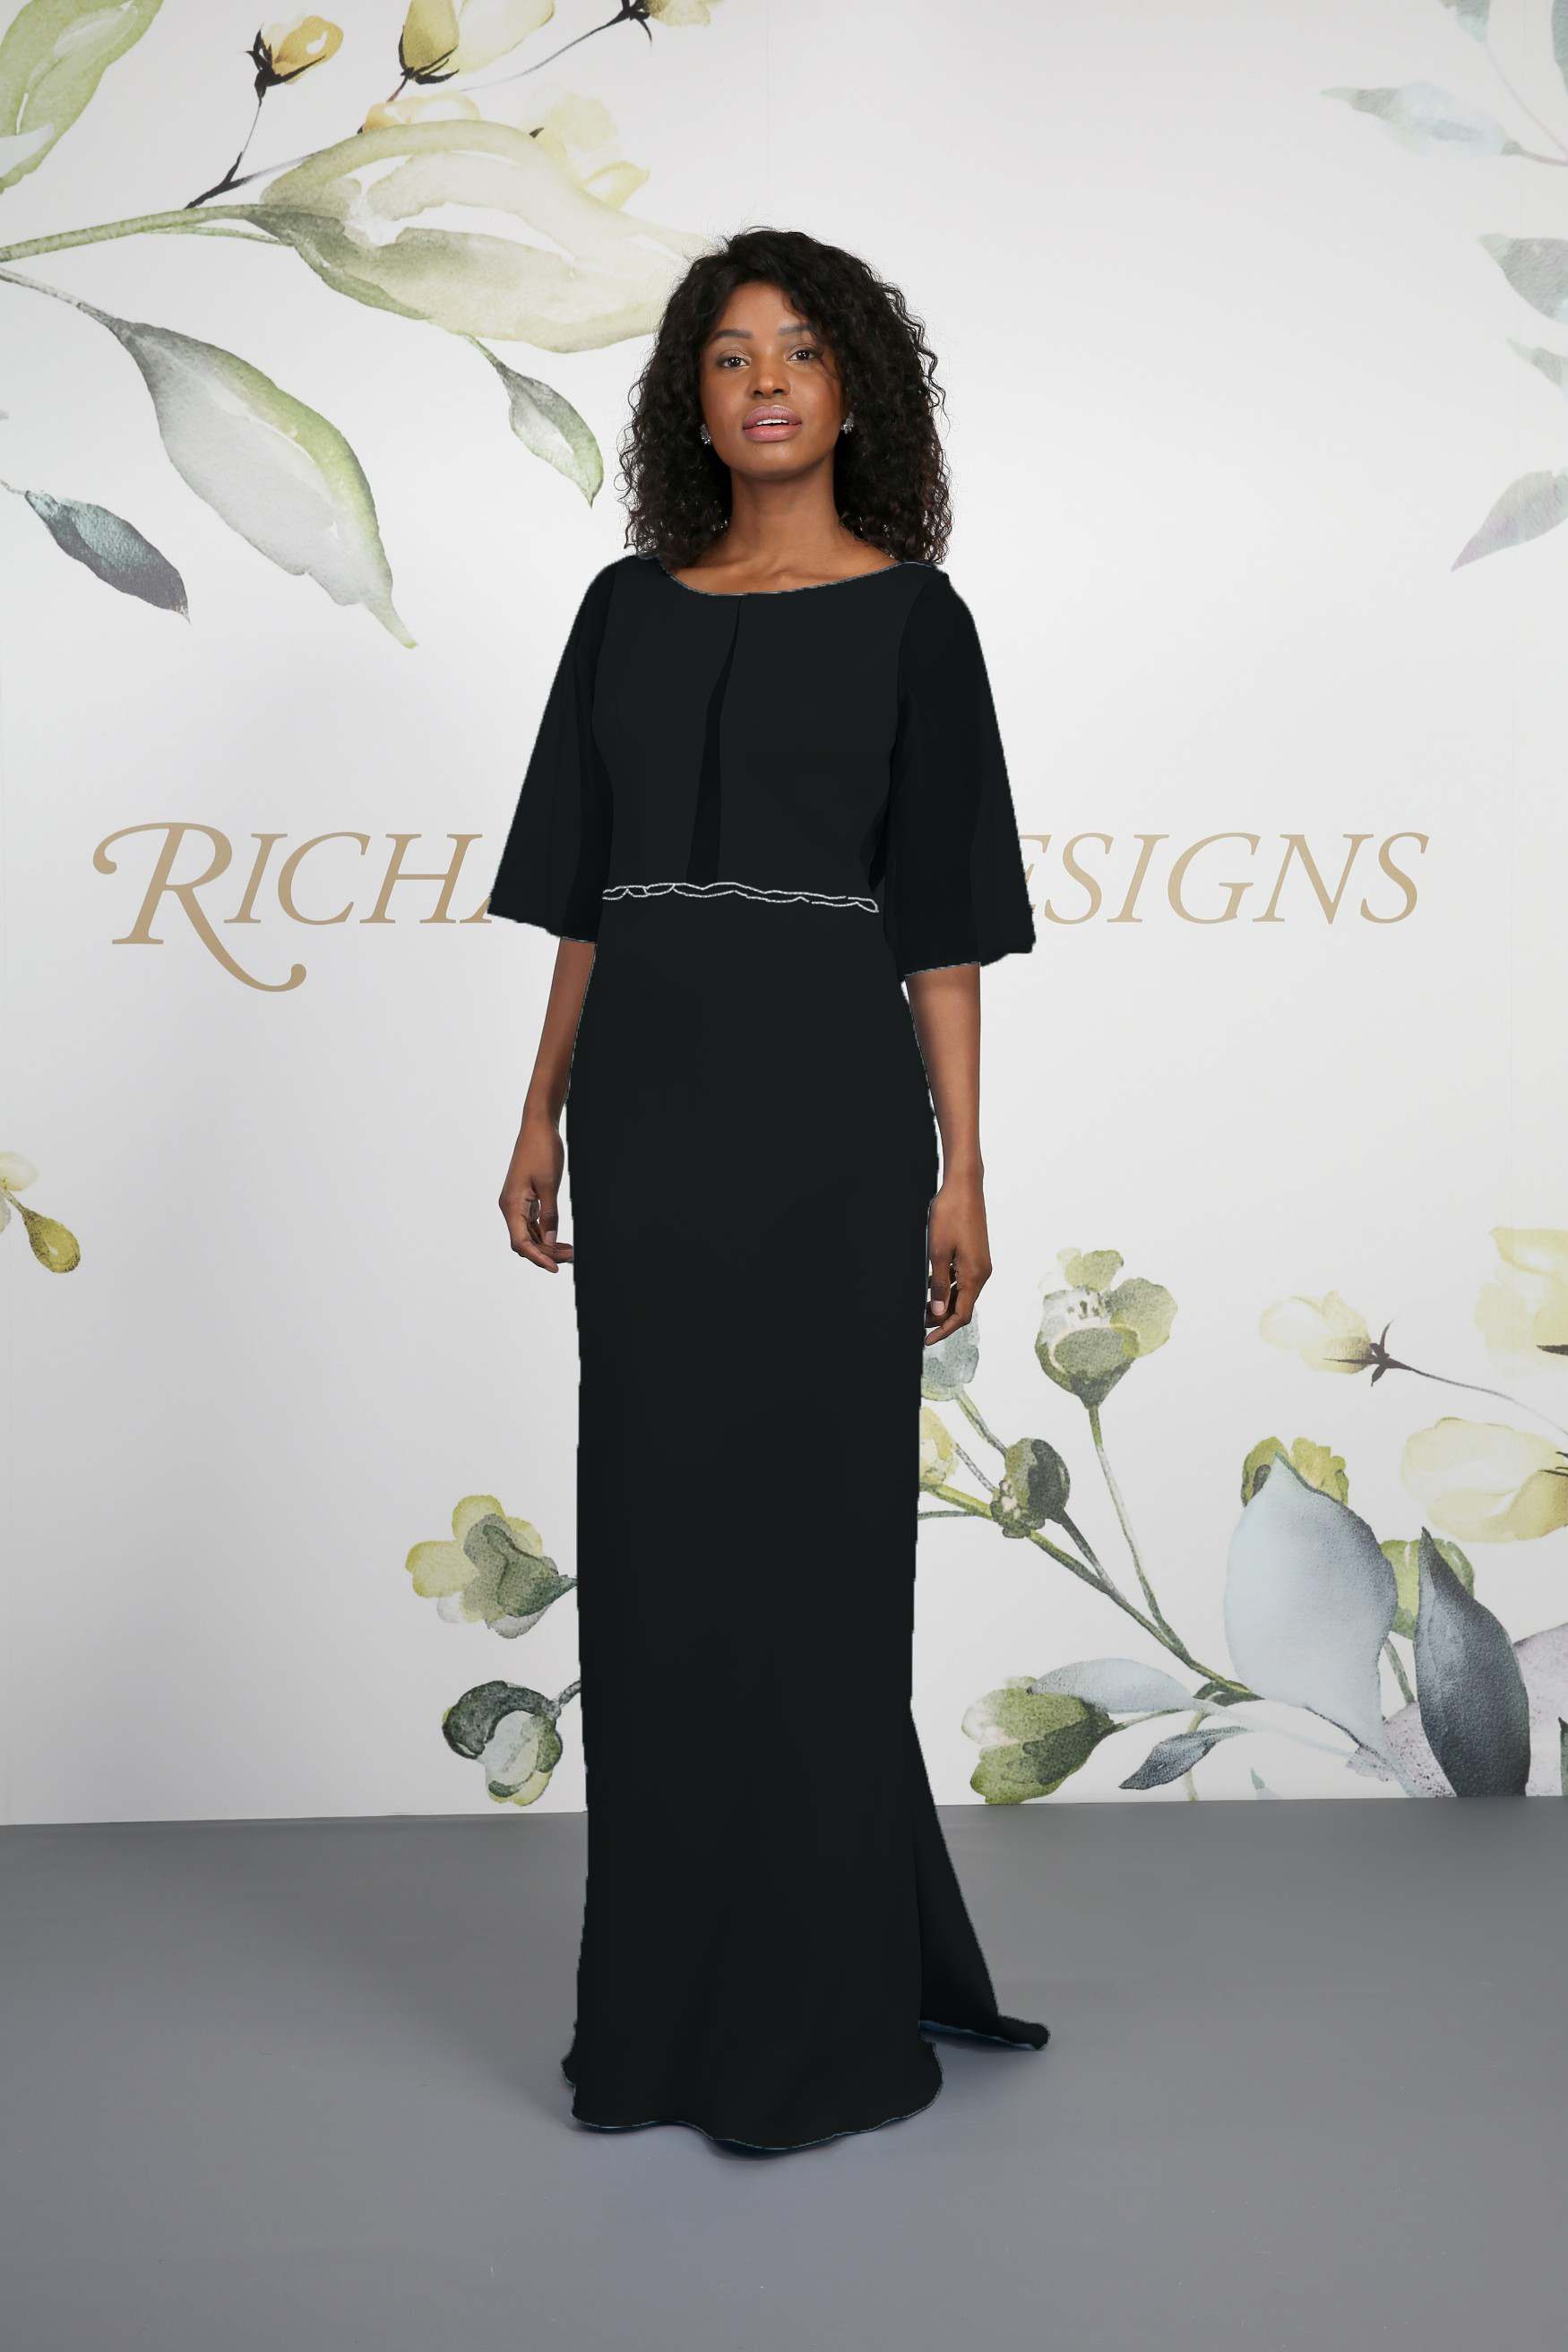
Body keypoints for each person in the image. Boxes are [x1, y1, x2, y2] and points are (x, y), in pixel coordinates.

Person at [486, 226, 1047, 2153]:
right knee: (657, 1550)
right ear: (693, 403)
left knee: (815, 1556)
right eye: (729, 357)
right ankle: (655, 2023)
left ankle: (819, 2015)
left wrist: (963, 1164)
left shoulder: (916, 620)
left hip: (826, 1118)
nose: (767, 382)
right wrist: (539, 1108)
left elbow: (940, 926)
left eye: (801, 350)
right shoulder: (621, 611)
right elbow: (584, 891)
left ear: (853, 388)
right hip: (650, 1114)